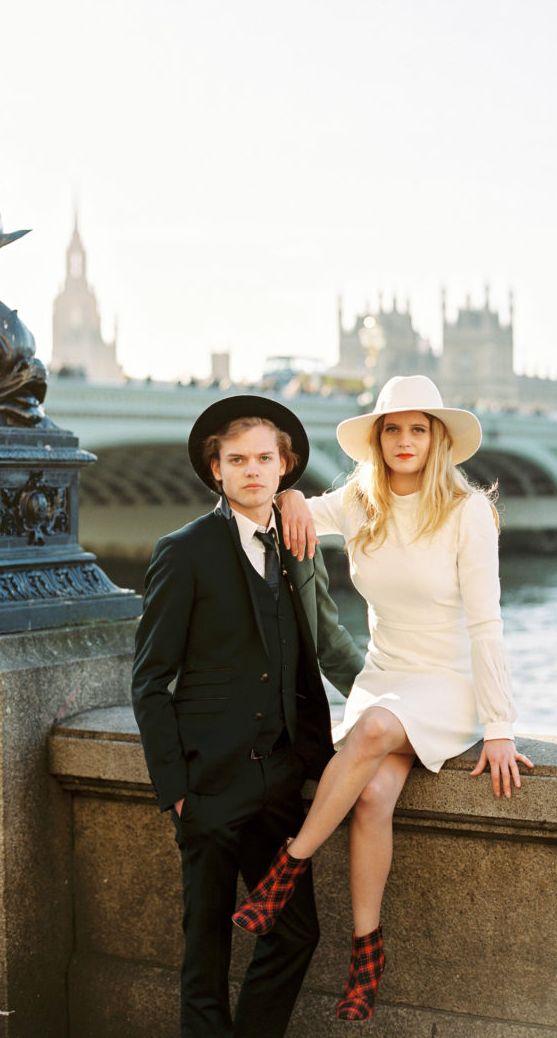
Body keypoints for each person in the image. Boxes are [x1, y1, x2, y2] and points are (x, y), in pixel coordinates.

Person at [232, 374, 533, 1022]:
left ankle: (286, 870)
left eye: (417, 428)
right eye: (392, 428)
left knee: (367, 732)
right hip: (385, 676)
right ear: (376, 438)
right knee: (370, 796)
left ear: (438, 437)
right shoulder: (361, 500)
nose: (404, 440)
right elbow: (295, 506)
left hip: (447, 686)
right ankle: (367, 955)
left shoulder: (467, 509)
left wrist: (500, 724)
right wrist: (285, 498)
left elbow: (486, 622)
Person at [131, 395, 364, 1038]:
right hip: (209, 785)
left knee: (296, 935)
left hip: (283, 781)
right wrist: (175, 790)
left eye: (264, 458)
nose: (252, 470)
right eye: (238, 460)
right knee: (204, 955)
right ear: (217, 471)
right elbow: (150, 680)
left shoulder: (297, 543)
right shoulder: (184, 550)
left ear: (284, 467)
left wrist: (393, 703)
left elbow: (326, 644)